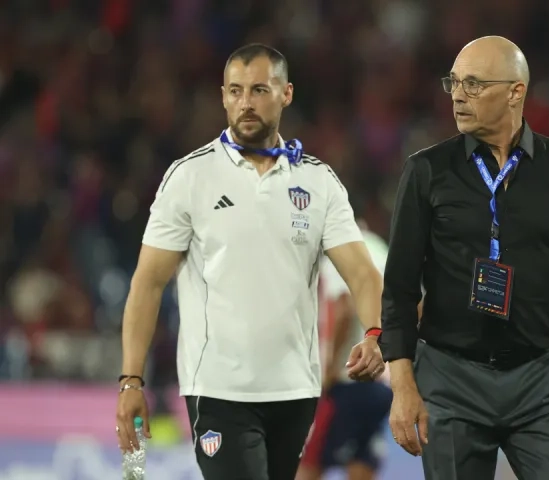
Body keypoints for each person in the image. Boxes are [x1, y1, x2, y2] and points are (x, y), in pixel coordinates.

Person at [115, 43, 386, 480]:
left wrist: (375, 334)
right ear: (223, 96)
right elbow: (147, 284)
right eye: (235, 90)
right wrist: (131, 380)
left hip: (296, 390)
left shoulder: (319, 182)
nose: (245, 102)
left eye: (259, 89)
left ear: (286, 94)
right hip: (219, 389)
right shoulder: (189, 178)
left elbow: (362, 273)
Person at [379, 36, 549, 480]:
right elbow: (398, 286)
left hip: (538, 381)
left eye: (474, 84)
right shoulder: (427, 171)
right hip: (449, 380)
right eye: (454, 83)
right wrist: (402, 385)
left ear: (516, 92)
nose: (458, 94)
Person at [297, 203, 393, 480]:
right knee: (361, 462)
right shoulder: (379, 248)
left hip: (346, 382)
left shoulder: (340, 253)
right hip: (381, 381)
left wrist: (328, 370)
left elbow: (344, 308)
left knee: (309, 463)